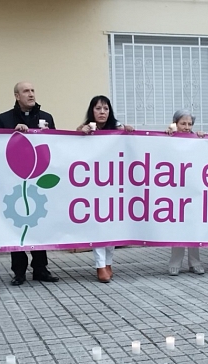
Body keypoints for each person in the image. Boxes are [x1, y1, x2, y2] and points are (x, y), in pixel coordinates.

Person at [0, 81, 59, 285]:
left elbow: (56, 145)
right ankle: (19, 271)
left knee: (38, 223)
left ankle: (40, 268)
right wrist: (12, 134)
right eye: (26, 91)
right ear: (16, 96)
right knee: (18, 224)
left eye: (33, 90)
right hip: (14, 179)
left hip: (40, 179)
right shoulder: (4, 119)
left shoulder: (46, 118)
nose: (31, 94)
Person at [78, 95, 133, 282]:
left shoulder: (117, 129)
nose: (102, 112)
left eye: (106, 108)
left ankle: (108, 262)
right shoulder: (85, 129)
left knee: (112, 226)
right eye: (98, 108)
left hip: (114, 184)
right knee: (98, 226)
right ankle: (100, 265)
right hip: (94, 185)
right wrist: (80, 133)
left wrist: (130, 131)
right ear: (91, 111)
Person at [166, 109, 205, 276]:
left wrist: (203, 138)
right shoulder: (168, 138)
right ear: (175, 124)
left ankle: (195, 262)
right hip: (176, 189)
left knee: (194, 225)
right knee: (179, 226)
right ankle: (175, 262)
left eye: (190, 124)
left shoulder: (197, 140)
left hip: (194, 188)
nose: (187, 127)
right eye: (183, 123)